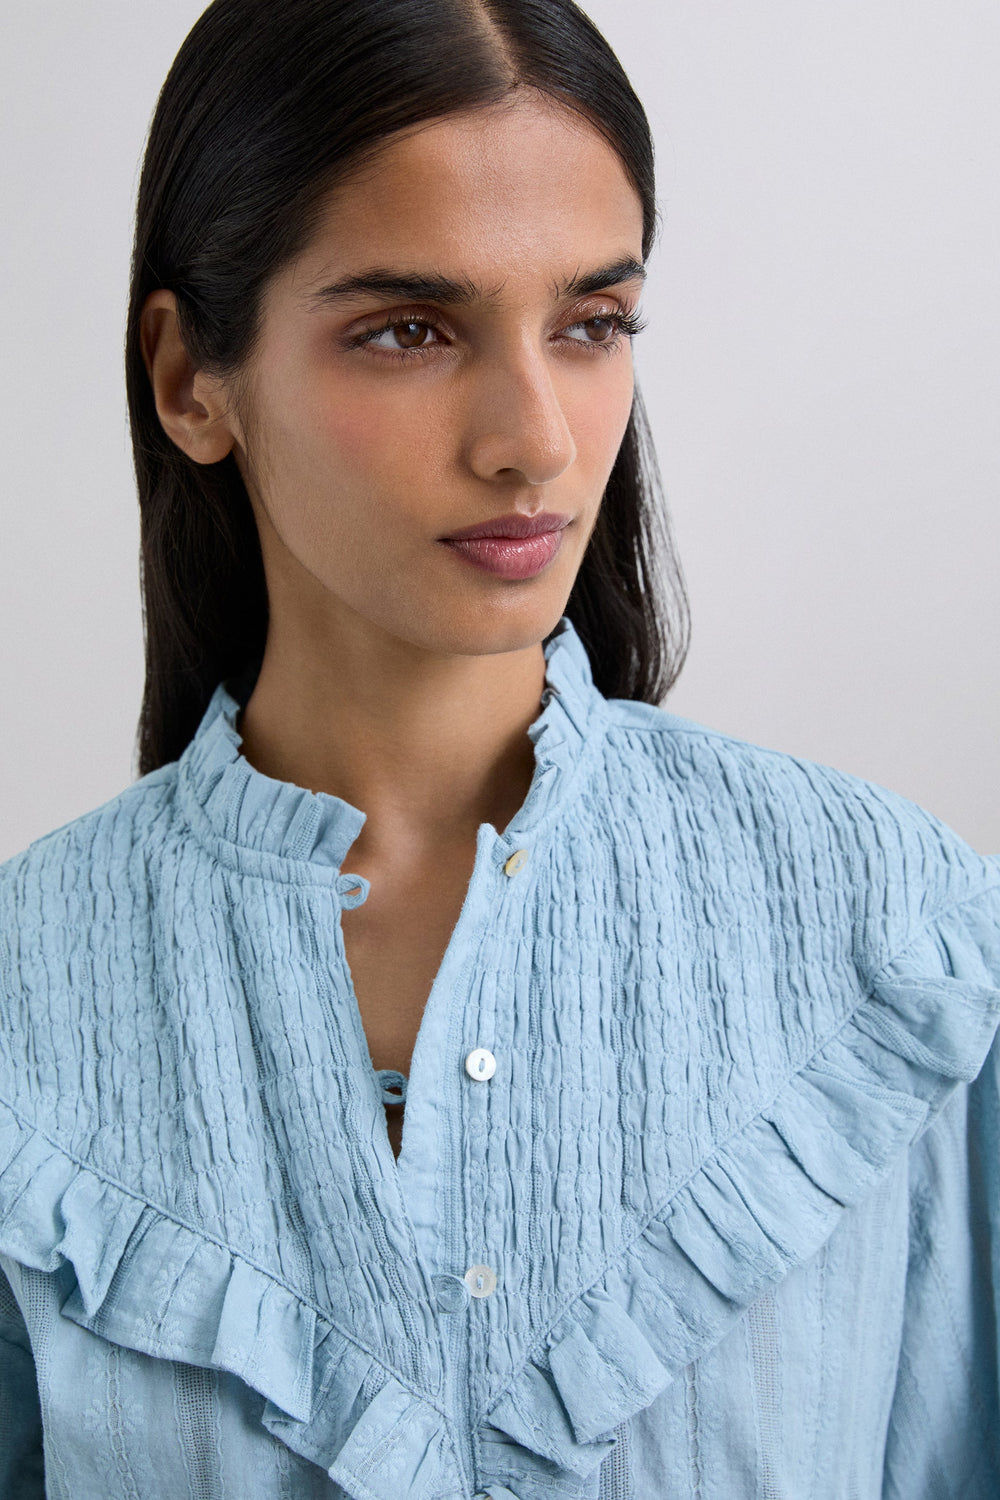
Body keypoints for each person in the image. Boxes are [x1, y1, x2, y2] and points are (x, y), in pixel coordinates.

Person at [0, 0, 998, 1495]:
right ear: (189, 378)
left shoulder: (898, 938)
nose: (535, 438)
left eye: (592, 324)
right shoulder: (27, 1003)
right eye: (410, 330)